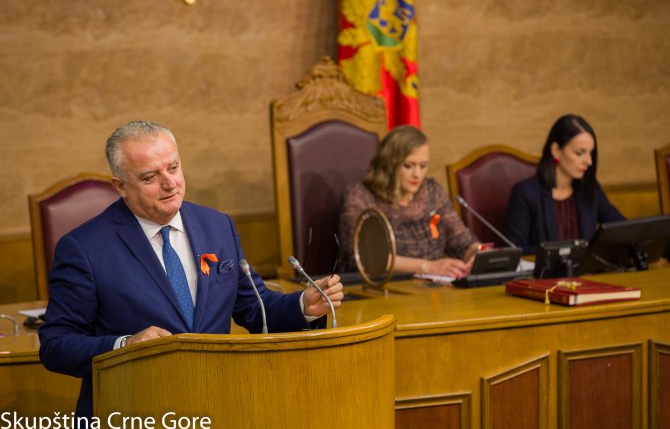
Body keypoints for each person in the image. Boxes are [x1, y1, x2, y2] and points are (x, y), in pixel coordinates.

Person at [39, 120, 344, 417]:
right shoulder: (84, 248)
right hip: (134, 408)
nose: (169, 183)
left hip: (218, 405)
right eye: (150, 177)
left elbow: (254, 307)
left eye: (173, 167)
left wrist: (303, 305)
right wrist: (124, 345)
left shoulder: (217, 226)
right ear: (120, 186)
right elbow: (56, 345)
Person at [339, 125, 480, 278]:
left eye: (423, 166)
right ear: (388, 163)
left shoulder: (431, 191)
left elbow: (461, 241)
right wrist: (427, 267)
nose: (417, 174)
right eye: (408, 166)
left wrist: (476, 253)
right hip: (376, 289)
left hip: (431, 288)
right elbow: (367, 257)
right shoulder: (360, 196)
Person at [502, 114, 625, 255]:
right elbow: (514, 251)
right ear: (556, 150)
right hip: (546, 276)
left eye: (591, 153)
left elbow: (621, 229)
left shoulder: (590, 188)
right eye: (580, 153)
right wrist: (567, 251)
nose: (589, 161)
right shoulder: (525, 193)